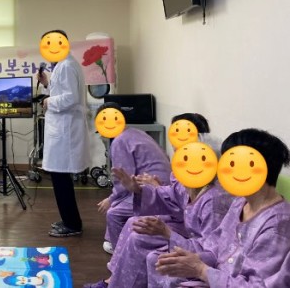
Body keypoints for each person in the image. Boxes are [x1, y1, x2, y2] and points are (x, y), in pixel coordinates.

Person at [84, 113, 233, 288]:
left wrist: (167, 233)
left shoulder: (212, 200)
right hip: (185, 231)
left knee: (133, 231)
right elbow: (171, 195)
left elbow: (210, 250)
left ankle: (116, 282)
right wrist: (138, 189)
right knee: (136, 224)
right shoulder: (190, 179)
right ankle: (115, 278)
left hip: (194, 244)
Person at [154, 128, 290, 287]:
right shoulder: (240, 203)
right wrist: (189, 260)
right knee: (160, 264)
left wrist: (200, 270)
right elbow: (214, 247)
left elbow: (256, 285)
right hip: (218, 278)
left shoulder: (278, 226)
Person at [37, 29, 92, 237]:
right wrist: (46, 84)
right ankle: (69, 219)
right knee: (60, 177)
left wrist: (48, 101)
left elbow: (70, 98)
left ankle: (72, 224)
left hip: (65, 130)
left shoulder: (67, 65)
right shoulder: (63, 64)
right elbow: (62, 91)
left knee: (61, 178)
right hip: (62, 128)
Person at [96, 103, 171, 253]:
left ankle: (120, 255)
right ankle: (114, 240)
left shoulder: (119, 141)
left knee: (113, 213)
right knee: (118, 203)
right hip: (163, 185)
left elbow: (123, 180)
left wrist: (110, 199)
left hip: (155, 190)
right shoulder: (135, 132)